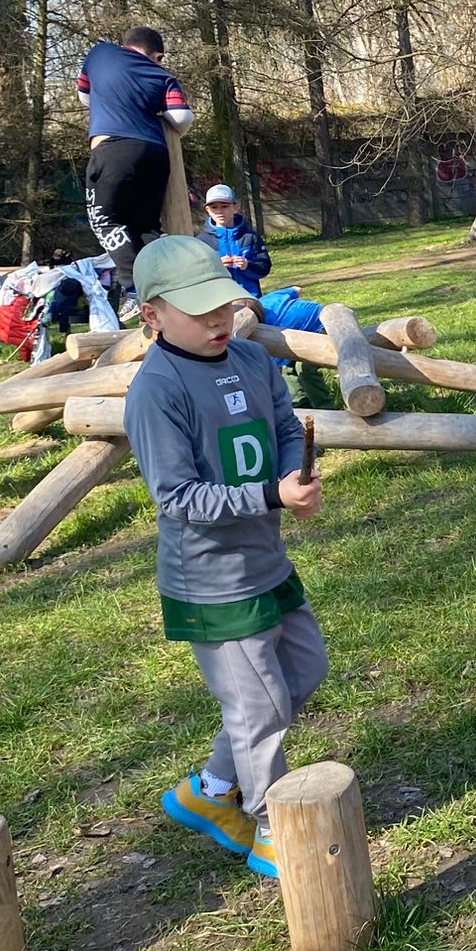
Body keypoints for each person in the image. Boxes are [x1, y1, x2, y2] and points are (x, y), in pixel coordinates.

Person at [125, 236, 325, 880]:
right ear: (152, 314)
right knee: (259, 709)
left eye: (222, 305)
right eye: (199, 311)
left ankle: (210, 790)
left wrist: (294, 472)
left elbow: (287, 428)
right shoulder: (156, 391)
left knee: (303, 671)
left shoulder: (252, 358)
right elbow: (177, 497)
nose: (217, 320)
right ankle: (270, 827)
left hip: (266, 560)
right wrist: (269, 494)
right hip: (211, 579)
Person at [79, 25, 192, 273]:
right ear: (158, 56)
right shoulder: (163, 77)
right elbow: (181, 117)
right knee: (146, 226)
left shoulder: (99, 53)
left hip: (112, 150)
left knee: (105, 221)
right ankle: (172, 278)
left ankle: (135, 285)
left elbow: (85, 95)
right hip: (156, 153)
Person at [197, 183, 271, 298]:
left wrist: (247, 266)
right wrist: (217, 267)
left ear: (235, 208)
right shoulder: (201, 241)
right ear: (208, 210)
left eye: (224, 206)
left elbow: (264, 267)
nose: (220, 211)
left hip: (250, 298)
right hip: (218, 301)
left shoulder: (250, 237)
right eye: (214, 207)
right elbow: (196, 275)